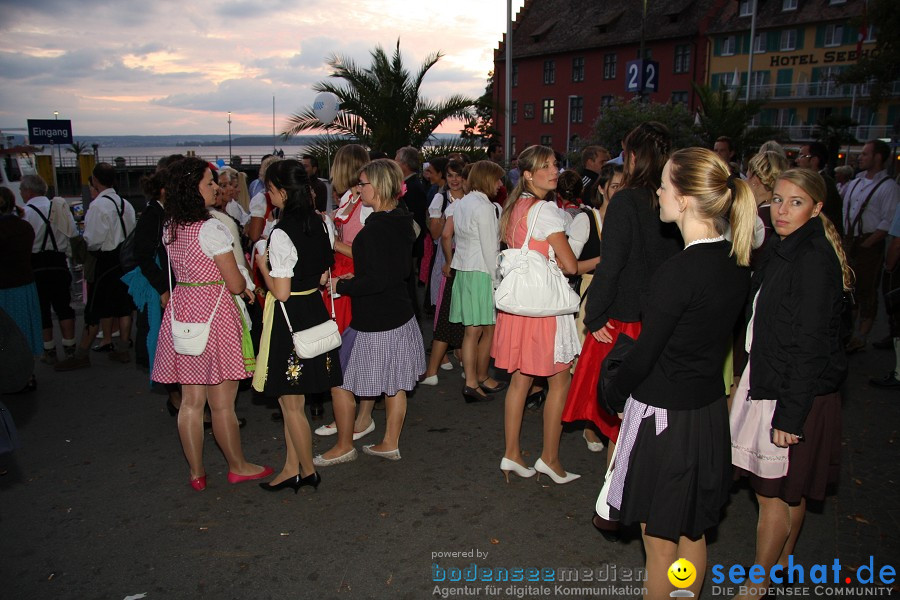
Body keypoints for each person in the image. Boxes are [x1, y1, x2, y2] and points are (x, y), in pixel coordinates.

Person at [602, 147, 755, 598]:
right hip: (706, 412)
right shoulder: (735, 260)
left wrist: (612, 388)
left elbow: (647, 354)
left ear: (685, 199)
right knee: (693, 531)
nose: (659, 193)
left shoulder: (680, 271)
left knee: (660, 539)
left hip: (667, 418)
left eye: (665, 186)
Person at [730, 169, 852, 600]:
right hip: (777, 384)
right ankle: (783, 562)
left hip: (791, 395)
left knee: (774, 495)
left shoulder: (813, 258)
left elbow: (812, 345)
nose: (781, 210)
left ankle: (758, 582)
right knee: (791, 490)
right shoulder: (788, 248)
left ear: (817, 208)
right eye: (777, 200)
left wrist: (790, 415)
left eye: (795, 202)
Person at [564, 122, 682, 478]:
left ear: (631, 157)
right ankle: (631, 491)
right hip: (663, 320)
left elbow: (611, 266)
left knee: (621, 415)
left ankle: (616, 496)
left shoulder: (627, 200)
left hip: (624, 321)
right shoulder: (673, 199)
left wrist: (595, 315)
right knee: (649, 416)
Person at [151, 157, 271, 491]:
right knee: (221, 404)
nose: (215, 187)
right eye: (208, 182)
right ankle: (238, 465)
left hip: (185, 310)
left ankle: (196, 472)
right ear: (192, 189)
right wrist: (247, 285)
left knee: (191, 402)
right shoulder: (211, 228)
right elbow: (234, 284)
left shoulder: (171, 226)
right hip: (215, 313)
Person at [316, 159, 426, 464]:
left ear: (375, 188)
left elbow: (376, 279)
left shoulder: (374, 231)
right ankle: (389, 441)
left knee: (340, 380)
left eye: (362, 183)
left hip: (376, 320)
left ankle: (344, 445)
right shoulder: (401, 221)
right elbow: (392, 271)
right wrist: (356, 278)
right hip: (399, 314)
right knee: (395, 383)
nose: (358, 188)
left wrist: (343, 286)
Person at [492, 145, 580, 484]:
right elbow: (570, 264)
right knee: (560, 379)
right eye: (546, 166)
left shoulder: (515, 206)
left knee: (520, 379)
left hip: (519, 306)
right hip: (543, 307)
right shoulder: (545, 210)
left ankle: (512, 453)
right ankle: (550, 459)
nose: (554, 170)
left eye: (555, 163)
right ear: (528, 174)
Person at [253, 159, 342, 492]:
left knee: (291, 403)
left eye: (270, 189)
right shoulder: (322, 222)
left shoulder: (280, 233)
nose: (268, 194)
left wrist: (262, 265)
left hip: (288, 316)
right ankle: (292, 466)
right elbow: (322, 275)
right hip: (313, 309)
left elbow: (281, 291)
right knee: (293, 401)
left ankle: (306, 470)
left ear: (281, 191)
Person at [313, 144, 376, 440]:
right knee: (346, 348)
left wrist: (331, 242)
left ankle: (360, 416)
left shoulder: (364, 205)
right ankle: (347, 412)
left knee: (356, 348)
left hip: (354, 278)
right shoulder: (351, 198)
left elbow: (368, 253)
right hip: (341, 277)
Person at [55, 163, 136, 370]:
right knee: (124, 306)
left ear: (96, 181)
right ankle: (123, 349)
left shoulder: (99, 206)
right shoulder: (125, 203)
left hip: (106, 260)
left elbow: (92, 240)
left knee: (94, 308)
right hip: (125, 259)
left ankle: (82, 353)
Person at [566, 162, 623, 453]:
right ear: (601, 189)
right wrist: (606, 262)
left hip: (617, 296)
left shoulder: (627, 219)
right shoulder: (586, 220)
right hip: (588, 294)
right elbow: (570, 266)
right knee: (585, 362)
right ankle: (588, 422)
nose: (619, 192)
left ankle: (598, 421)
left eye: (623, 187)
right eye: (614, 187)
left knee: (608, 361)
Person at [446, 160, 508, 403]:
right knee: (474, 331)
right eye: (497, 179)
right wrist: (497, 280)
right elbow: (489, 247)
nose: (500, 184)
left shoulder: (462, 203)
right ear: (486, 179)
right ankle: (472, 382)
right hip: (480, 272)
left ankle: (476, 380)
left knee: (473, 331)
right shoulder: (483, 207)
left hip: (465, 271)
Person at [841, 139, 900, 353]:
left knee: (866, 289)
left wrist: (869, 242)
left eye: (865, 154)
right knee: (849, 288)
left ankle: (861, 334)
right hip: (850, 240)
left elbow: (888, 221)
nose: (860, 157)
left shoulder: (889, 187)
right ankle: (848, 330)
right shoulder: (855, 182)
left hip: (868, 242)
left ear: (878, 157)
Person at [20, 174, 78, 364]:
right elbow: (73, 233)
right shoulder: (60, 208)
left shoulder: (25, 213)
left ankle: (49, 349)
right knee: (64, 306)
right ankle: (70, 346)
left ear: (28, 191)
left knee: (42, 309)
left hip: (35, 263)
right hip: (58, 261)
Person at [421, 158, 466, 385]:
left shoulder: (472, 198)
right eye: (450, 175)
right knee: (444, 306)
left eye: (458, 175)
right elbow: (437, 235)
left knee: (462, 310)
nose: (455, 179)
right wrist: (439, 216)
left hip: (466, 255)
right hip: (447, 255)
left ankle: (457, 352)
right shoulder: (440, 198)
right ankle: (444, 355)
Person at [0, 187, 42, 390]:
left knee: (5, 334)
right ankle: (28, 373)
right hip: (24, 285)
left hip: (4, 288)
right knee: (24, 330)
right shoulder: (25, 228)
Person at [796, 141, 843, 236]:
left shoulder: (823, 184)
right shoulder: (812, 181)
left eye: (802, 156)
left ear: (814, 160)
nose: (797, 160)